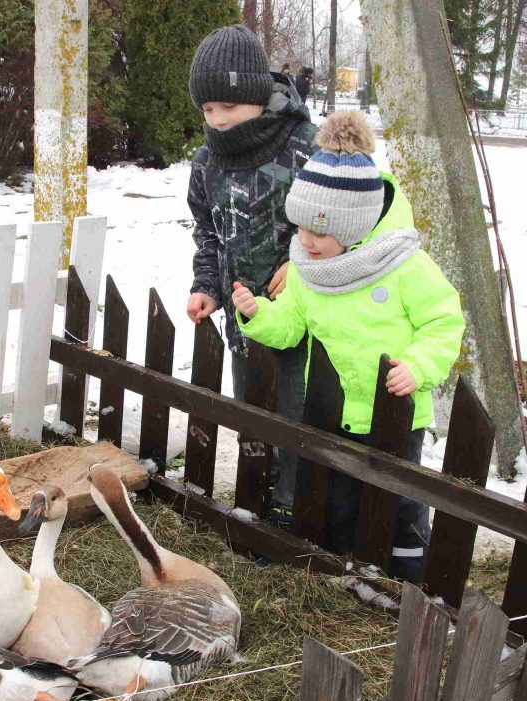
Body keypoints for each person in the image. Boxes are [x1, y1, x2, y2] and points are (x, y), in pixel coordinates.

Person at [231, 111, 465, 582]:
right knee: (339, 496)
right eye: (300, 228)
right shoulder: (308, 269)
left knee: (399, 500)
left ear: (355, 226)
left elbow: (444, 321)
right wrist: (257, 315)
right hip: (332, 408)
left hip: (393, 409)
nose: (306, 242)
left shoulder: (403, 265)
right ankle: (346, 572)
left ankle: (408, 582)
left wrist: (418, 366)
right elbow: (292, 327)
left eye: (320, 231)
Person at [186, 24, 318, 526]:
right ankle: (259, 510)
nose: (217, 121)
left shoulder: (306, 147)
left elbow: (348, 223)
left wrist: (302, 261)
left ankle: (298, 518)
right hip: (244, 322)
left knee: (299, 419)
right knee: (253, 414)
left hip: (304, 323)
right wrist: (207, 286)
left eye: (227, 107)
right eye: (207, 110)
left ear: (257, 97)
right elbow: (208, 233)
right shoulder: (206, 162)